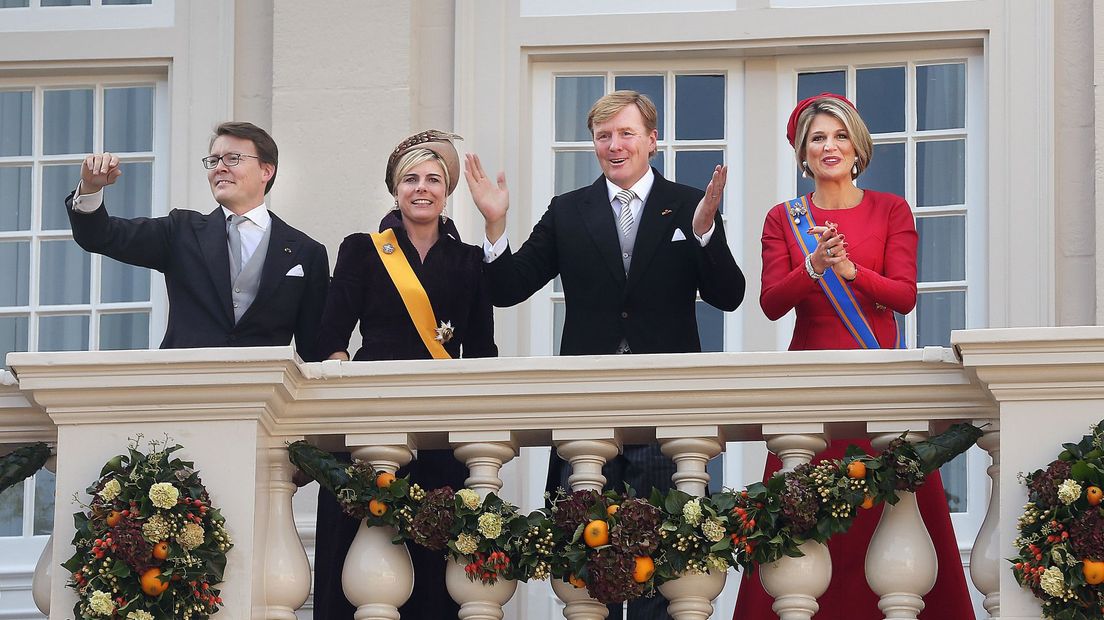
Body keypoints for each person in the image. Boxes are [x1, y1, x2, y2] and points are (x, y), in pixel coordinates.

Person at [466, 90, 744, 620]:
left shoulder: (689, 204)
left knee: (664, 572)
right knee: (585, 569)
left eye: (625, 134)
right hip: (586, 409)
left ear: (651, 140)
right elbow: (509, 288)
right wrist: (496, 226)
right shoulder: (569, 210)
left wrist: (705, 231)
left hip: (665, 412)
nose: (614, 146)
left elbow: (728, 295)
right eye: (603, 136)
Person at [732, 93, 974, 618]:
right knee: (803, 527)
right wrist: (814, 264)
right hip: (812, 389)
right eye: (818, 138)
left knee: (890, 521)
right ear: (803, 153)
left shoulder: (891, 209)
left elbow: (904, 295)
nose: (829, 146)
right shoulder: (784, 218)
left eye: (840, 136)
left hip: (880, 384)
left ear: (858, 146)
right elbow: (773, 304)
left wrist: (851, 272)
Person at [312, 130, 497, 619]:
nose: (422, 188)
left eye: (433, 179)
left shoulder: (469, 260)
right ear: (395, 189)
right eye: (410, 178)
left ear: (448, 190)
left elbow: (482, 349)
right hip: (373, 410)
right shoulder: (364, 249)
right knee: (361, 539)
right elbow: (329, 336)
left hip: (441, 417)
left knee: (435, 549)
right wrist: (340, 377)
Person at [66, 121, 328, 362]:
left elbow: (314, 349)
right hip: (183, 393)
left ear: (266, 170)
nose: (220, 168)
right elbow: (100, 236)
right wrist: (91, 189)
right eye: (213, 161)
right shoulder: (181, 230)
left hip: (265, 399)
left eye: (233, 158)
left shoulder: (306, 252)